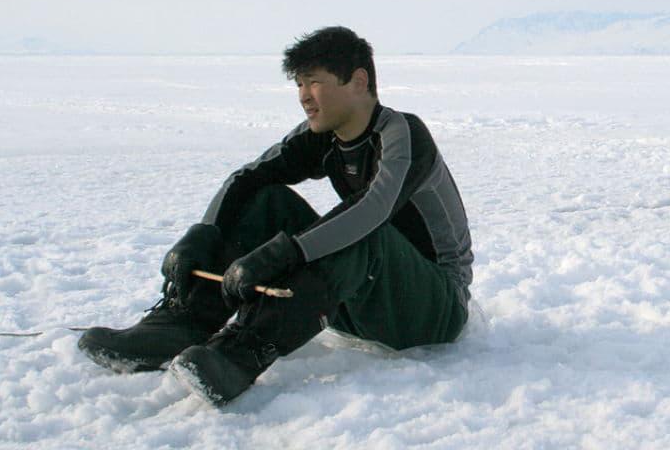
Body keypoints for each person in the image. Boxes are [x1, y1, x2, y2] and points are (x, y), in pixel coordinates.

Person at [79, 26, 473, 406]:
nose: (303, 95)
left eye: (314, 81)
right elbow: (247, 179)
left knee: (360, 230)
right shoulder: (322, 136)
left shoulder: (402, 132)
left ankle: (241, 354)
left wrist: (288, 253)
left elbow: (373, 208)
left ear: (357, 81)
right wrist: (204, 234)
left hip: (434, 310)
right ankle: (181, 326)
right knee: (268, 201)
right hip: (353, 299)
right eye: (299, 84)